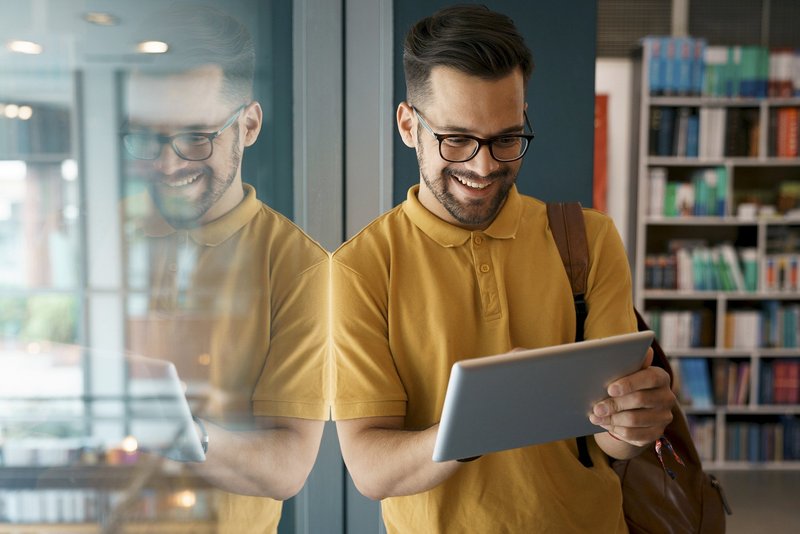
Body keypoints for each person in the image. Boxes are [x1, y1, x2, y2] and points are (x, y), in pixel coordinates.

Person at [331, 5, 675, 532]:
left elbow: (611, 442)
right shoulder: (360, 269)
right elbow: (371, 470)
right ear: (408, 125)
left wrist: (633, 425)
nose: (484, 165)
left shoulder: (589, 239)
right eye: (457, 139)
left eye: (506, 138)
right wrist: (476, 422)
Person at [120, 5, 328, 533]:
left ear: (249, 125)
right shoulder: (109, 235)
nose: (168, 165)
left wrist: (175, 432)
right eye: (148, 137)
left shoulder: (300, 267)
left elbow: (288, 468)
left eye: (197, 137)